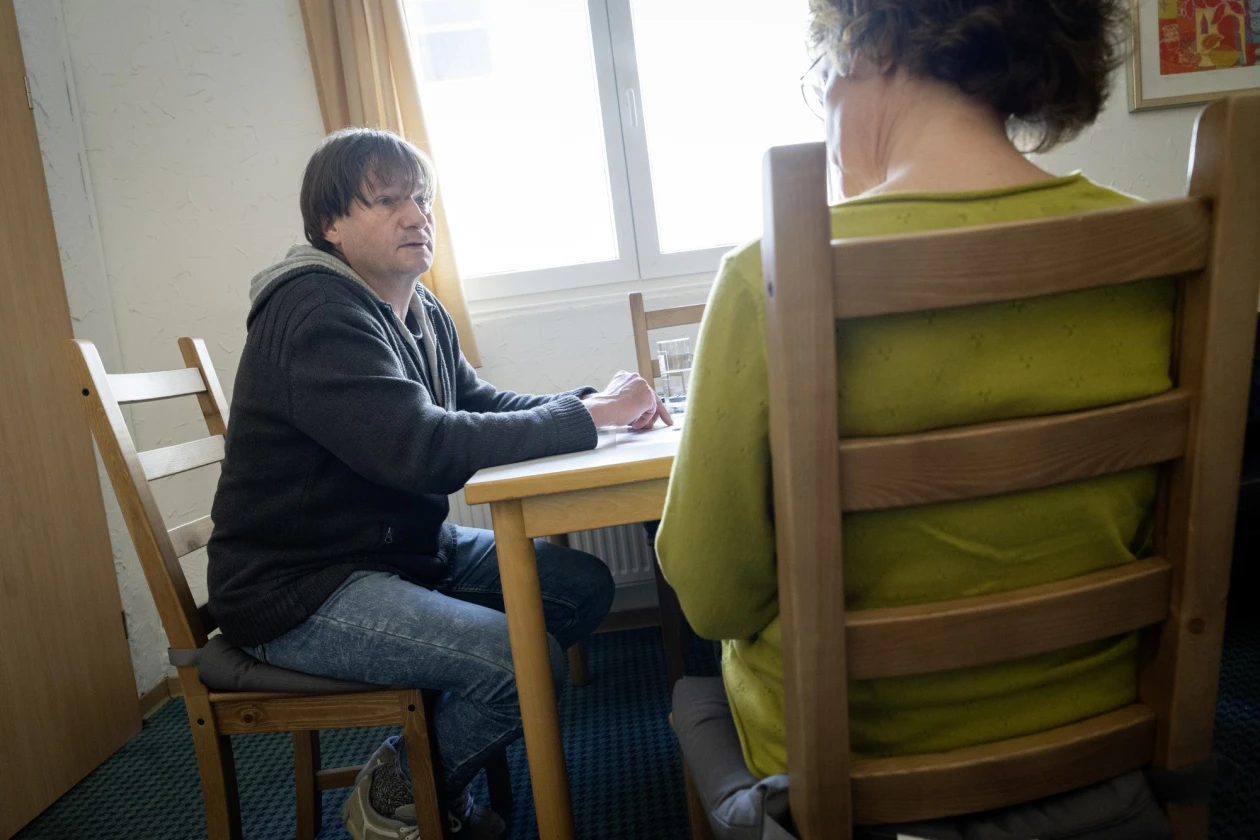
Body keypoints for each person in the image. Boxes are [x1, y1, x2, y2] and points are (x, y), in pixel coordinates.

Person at [657, 0, 1170, 780]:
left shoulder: (766, 275)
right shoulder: (1161, 254)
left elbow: (714, 596)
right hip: (1096, 736)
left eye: (821, 76)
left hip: (854, 762)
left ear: (868, 46)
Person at [207, 127, 670, 839]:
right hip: (299, 587)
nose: (416, 215)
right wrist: (590, 414)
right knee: (521, 664)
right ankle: (396, 792)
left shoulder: (419, 311)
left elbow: (477, 407)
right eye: (387, 200)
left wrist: (597, 409)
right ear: (329, 225)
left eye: (420, 199)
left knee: (580, 586)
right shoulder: (315, 314)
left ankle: (431, 761)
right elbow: (422, 448)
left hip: (398, 554)